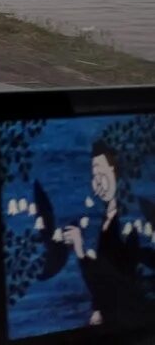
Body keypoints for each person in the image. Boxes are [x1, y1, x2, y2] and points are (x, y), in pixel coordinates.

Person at [63, 140, 155, 330]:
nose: (97, 180)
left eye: (101, 172)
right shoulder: (107, 220)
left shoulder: (131, 217)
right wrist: (98, 308)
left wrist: (80, 251)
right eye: (94, 174)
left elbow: (117, 280)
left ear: (115, 171)